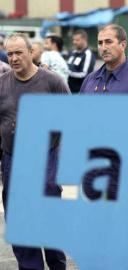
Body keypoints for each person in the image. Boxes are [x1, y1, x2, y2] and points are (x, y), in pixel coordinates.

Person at [0, 33, 70, 270]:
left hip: (46, 158)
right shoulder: (2, 84)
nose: (14, 58)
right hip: (12, 160)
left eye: (19, 52)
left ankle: (56, 264)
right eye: (10, 53)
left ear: (31, 52)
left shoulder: (52, 82)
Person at [79, 24, 128, 201]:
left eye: (109, 42)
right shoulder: (91, 80)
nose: (103, 47)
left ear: (123, 44)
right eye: (100, 43)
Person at [68, 29, 95, 94]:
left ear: (85, 40)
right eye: (73, 40)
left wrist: (68, 73)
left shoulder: (88, 54)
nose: (74, 42)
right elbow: (68, 66)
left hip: (81, 93)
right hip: (69, 92)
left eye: (77, 40)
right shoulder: (73, 53)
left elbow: (84, 74)